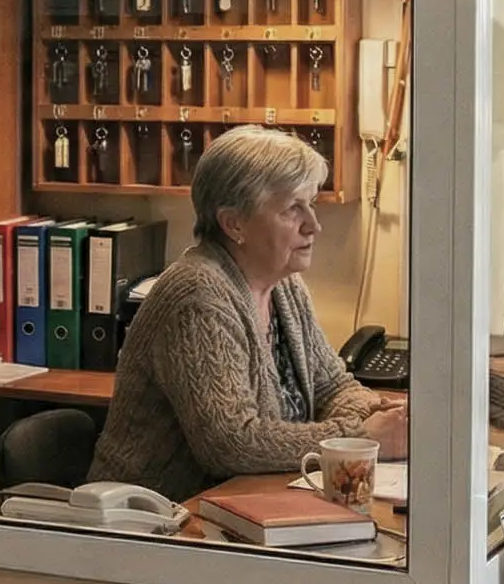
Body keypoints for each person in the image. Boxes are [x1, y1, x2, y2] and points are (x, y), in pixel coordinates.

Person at [86, 126, 406, 501]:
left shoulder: (284, 285)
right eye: (292, 209)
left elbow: (331, 387)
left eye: (311, 205)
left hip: (241, 504)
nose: (313, 225)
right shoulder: (197, 296)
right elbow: (231, 443)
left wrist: (383, 413)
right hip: (149, 515)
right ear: (234, 223)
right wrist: (362, 436)